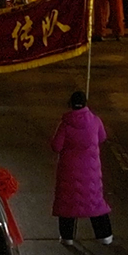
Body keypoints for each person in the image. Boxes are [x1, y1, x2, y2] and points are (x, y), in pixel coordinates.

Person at [49, 91, 113, 244]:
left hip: (69, 172)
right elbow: (102, 137)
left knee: (67, 202)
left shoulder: (65, 124)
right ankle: (104, 236)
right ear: (86, 103)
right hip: (91, 171)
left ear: (70, 104)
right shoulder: (96, 121)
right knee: (94, 200)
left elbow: (56, 146)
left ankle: (67, 237)